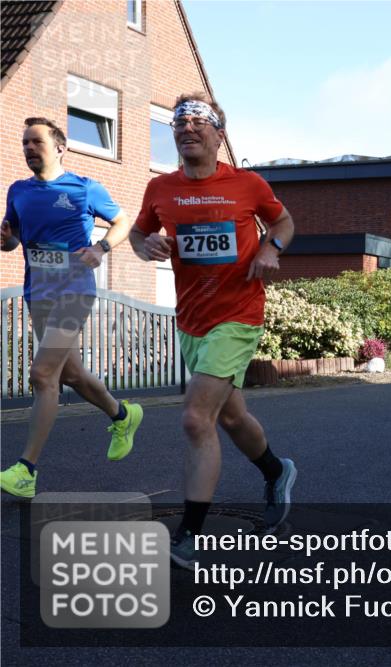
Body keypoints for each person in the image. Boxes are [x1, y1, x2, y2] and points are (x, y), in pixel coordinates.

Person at [129, 93, 297, 568]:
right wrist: (148, 246)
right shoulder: (160, 189)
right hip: (192, 320)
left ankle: (190, 536)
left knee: (194, 418)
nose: (187, 128)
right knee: (229, 416)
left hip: (238, 314)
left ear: (219, 135)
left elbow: (282, 220)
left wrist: (272, 249)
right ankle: (276, 470)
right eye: (179, 122)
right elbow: (140, 234)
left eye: (199, 122)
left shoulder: (246, 184)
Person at [0, 117, 144, 499]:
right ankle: (123, 415)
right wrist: (6, 240)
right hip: (38, 292)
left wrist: (100, 248)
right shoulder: (17, 191)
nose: (29, 148)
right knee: (72, 375)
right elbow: (11, 241)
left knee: (43, 374)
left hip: (74, 291)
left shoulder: (84, 189)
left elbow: (122, 221)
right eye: (25, 143)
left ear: (60, 147)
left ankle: (26, 469)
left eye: (36, 142)